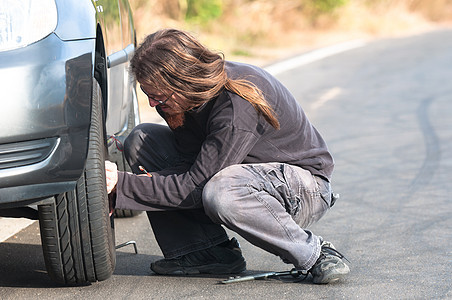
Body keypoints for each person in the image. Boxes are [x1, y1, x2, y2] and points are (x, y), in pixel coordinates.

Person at [105, 28, 350, 284]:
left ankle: (315, 254)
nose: (153, 105)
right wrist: (130, 189)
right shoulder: (183, 99)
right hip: (240, 175)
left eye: (158, 96)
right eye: (148, 96)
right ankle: (205, 252)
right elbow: (191, 168)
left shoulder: (235, 104)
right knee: (142, 140)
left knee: (220, 191)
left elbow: (195, 185)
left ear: (182, 81)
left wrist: (123, 185)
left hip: (303, 188)